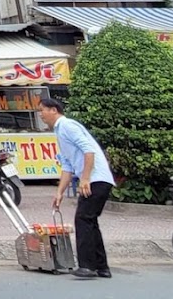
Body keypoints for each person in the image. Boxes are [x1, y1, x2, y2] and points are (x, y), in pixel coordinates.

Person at [40, 96, 114, 280]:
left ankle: (87, 267)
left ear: (53, 110)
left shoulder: (67, 126)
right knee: (90, 221)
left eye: (42, 110)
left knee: (83, 219)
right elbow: (67, 166)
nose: (40, 115)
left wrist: (86, 179)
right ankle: (101, 267)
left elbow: (89, 151)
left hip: (96, 179)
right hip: (95, 179)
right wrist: (59, 193)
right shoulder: (59, 132)